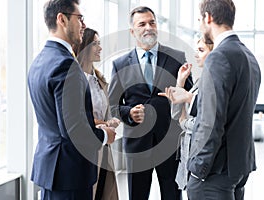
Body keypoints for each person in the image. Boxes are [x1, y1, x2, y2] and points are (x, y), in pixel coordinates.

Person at [27, 0, 116, 199]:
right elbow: (74, 131)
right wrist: (105, 135)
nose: (83, 25)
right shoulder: (67, 65)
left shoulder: (39, 61)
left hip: (50, 169)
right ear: (62, 19)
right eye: (80, 18)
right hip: (70, 173)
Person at [108, 6, 193, 200]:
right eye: (142, 24)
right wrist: (128, 113)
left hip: (170, 144)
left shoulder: (177, 57)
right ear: (132, 31)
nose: (149, 27)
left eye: (152, 22)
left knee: (172, 195)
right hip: (137, 146)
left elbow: (190, 97)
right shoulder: (119, 64)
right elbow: (111, 106)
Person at [187, 0, 261, 199]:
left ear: (208, 17)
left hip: (215, 171)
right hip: (239, 165)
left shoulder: (219, 56)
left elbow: (210, 121)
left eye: (200, 19)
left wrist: (197, 169)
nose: (200, 25)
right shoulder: (248, 55)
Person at [159, 36, 214, 191]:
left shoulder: (213, 81)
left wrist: (184, 121)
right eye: (196, 50)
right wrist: (180, 82)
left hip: (201, 156)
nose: (196, 55)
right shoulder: (200, 80)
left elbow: (204, 120)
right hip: (190, 154)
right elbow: (176, 114)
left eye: (201, 50)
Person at [74, 27, 120, 200]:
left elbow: (104, 110)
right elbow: (77, 116)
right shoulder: (75, 79)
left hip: (103, 145)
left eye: (100, 43)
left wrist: (110, 121)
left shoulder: (99, 79)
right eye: (95, 44)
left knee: (104, 192)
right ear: (84, 47)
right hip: (87, 147)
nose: (100, 48)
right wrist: (101, 123)